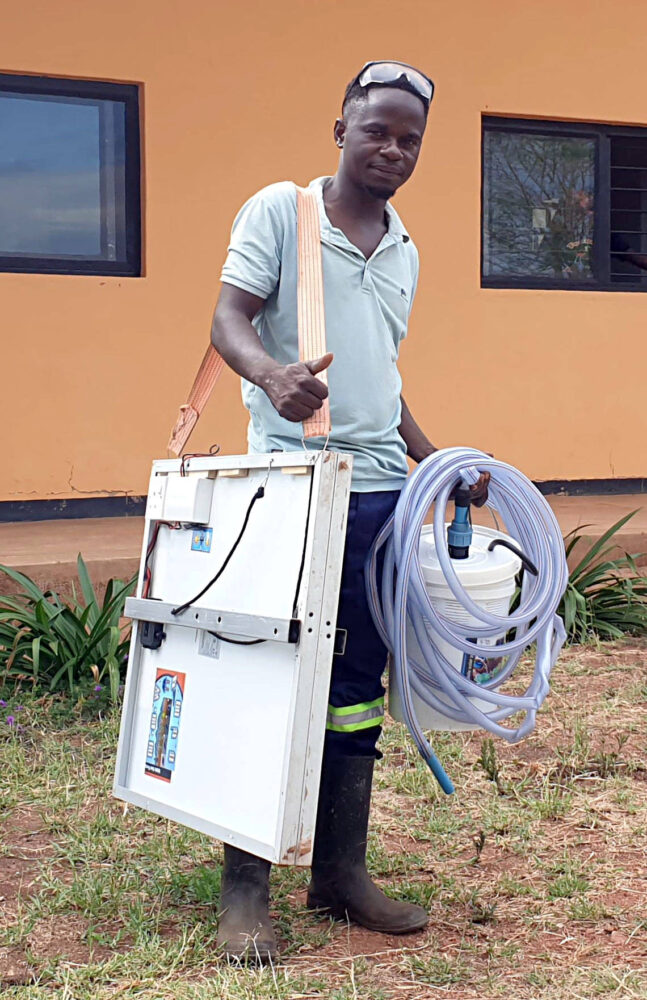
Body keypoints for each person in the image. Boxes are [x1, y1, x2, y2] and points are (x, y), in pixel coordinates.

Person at [210, 60, 489, 963]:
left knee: (353, 690)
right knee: (267, 679)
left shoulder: (403, 246)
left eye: (410, 138)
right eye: (378, 130)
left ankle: (338, 873)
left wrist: (435, 456)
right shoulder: (281, 212)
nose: (394, 149)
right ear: (340, 127)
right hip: (289, 486)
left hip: (378, 499)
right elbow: (228, 317)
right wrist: (269, 373)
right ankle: (244, 890)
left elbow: (383, 378)